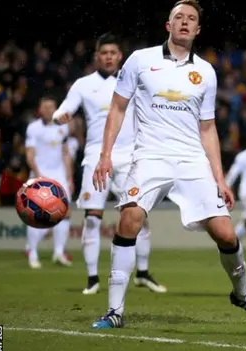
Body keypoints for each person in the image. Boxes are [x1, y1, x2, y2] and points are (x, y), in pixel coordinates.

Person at [86, 0, 246, 328]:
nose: (184, 23)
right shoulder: (140, 61)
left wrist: (220, 178)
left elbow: (208, 128)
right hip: (149, 157)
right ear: (168, 25)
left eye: (191, 19)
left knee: (227, 235)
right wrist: (105, 155)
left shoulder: (206, 72)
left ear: (198, 29)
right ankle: (115, 312)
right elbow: (117, 109)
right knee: (129, 219)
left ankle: (244, 296)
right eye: (178, 18)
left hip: (192, 160)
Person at [53, 33, 166, 295]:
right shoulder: (83, 84)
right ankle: (92, 279)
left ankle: (143, 273)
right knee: (92, 218)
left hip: (131, 157)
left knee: (139, 218)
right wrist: (61, 116)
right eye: (104, 53)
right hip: (96, 156)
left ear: (120, 56)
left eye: (113, 53)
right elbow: (65, 107)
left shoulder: (135, 83)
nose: (108, 57)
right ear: (97, 56)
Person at [24, 96, 74, 269]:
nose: (48, 110)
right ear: (40, 109)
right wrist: (38, 176)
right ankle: (33, 253)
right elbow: (30, 155)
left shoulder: (63, 127)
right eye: (45, 107)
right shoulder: (33, 128)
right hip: (39, 175)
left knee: (65, 213)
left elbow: (66, 153)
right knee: (35, 215)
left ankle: (58, 252)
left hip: (59, 175)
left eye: (51, 107)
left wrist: (69, 177)